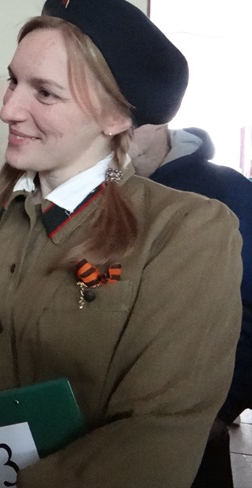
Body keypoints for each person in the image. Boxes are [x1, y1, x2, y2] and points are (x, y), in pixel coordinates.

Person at [0, 0, 242, 487]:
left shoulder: (185, 232)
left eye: (45, 93)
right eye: (13, 81)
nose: (8, 109)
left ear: (115, 116)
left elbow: (158, 429)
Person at [132, 123, 252, 487]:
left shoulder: (228, 190)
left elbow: (249, 307)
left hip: (192, 427)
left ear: (161, 118)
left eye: (133, 117)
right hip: (104, 430)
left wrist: (223, 406)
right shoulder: (98, 192)